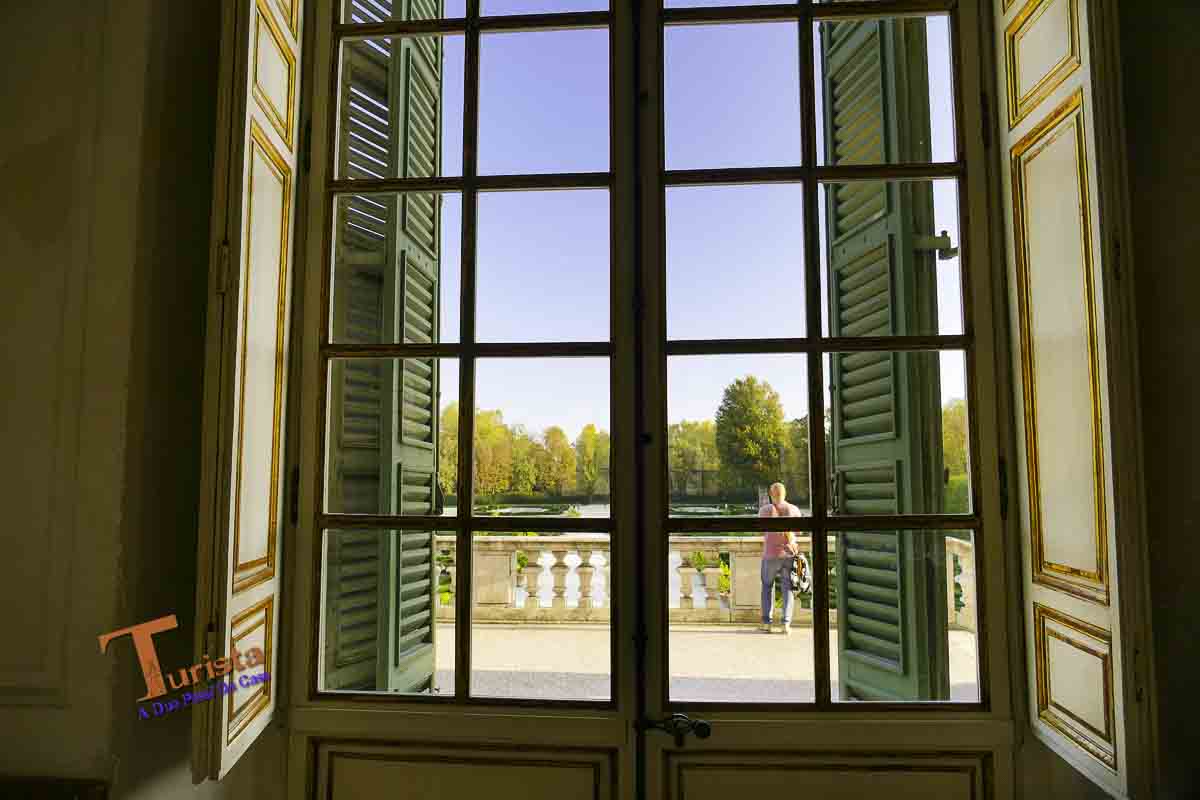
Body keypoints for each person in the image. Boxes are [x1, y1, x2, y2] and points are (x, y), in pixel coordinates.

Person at [759, 482, 802, 634]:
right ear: (785, 494)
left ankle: (766, 623)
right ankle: (785, 623)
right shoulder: (794, 509)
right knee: (787, 588)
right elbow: (799, 531)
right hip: (789, 554)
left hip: (770, 554)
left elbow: (760, 530)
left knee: (766, 586)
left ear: (771, 494)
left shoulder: (765, 510)